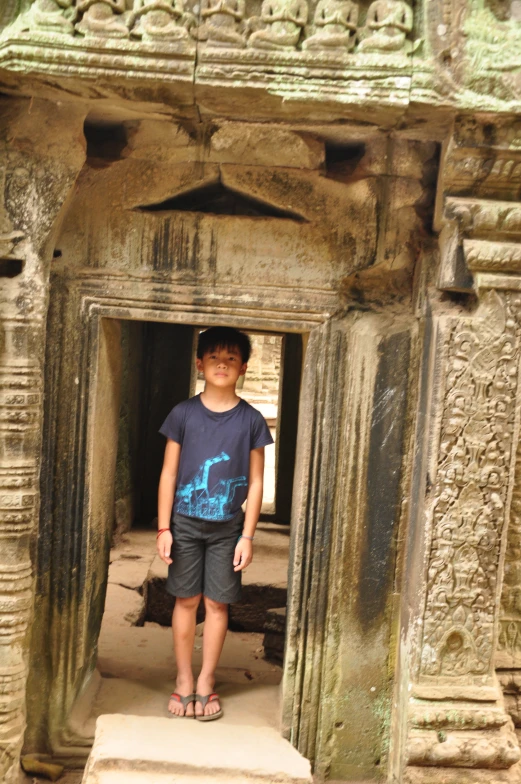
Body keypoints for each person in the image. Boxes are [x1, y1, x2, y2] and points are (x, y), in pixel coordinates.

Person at [157, 326, 274, 720]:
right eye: (214, 358)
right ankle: (184, 679)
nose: (221, 364)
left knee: (216, 602)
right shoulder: (183, 414)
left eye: (231, 359)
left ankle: (207, 680)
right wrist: (163, 527)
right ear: (200, 364)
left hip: (228, 528)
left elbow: (257, 482)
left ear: (243, 367)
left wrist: (248, 535)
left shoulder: (252, 420)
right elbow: (169, 474)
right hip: (184, 524)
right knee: (186, 599)